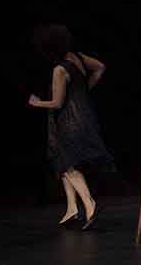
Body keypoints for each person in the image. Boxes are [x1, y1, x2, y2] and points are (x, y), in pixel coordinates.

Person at [29, 24, 113, 230]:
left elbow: (57, 103)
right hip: (86, 117)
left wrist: (36, 102)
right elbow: (100, 67)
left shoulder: (59, 69)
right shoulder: (79, 57)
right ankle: (72, 208)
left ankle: (89, 204)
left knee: (66, 164)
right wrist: (84, 89)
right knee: (65, 163)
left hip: (69, 122)